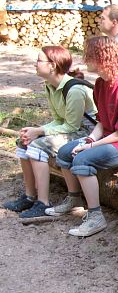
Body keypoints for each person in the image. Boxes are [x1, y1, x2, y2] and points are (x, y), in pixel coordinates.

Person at [50, 36, 118, 237]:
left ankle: (96, 216)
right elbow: (102, 122)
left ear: (101, 57)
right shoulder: (100, 84)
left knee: (82, 160)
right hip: (111, 138)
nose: (84, 59)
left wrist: (90, 148)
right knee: (64, 153)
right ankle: (74, 198)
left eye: (88, 55)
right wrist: (90, 140)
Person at [3, 46, 96, 220]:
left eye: (39, 60)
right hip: (72, 129)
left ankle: (43, 202)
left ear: (52, 65)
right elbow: (58, 120)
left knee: (38, 146)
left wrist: (39, 132)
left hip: (88, 133)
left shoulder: (74, 90)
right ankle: (29, 196)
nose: (35, 64)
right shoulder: (50, 86)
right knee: (24, 142)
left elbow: (72, 126)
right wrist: (34, 131)